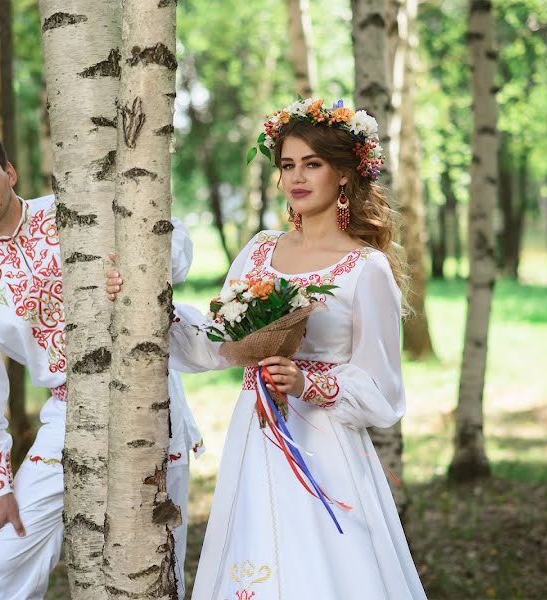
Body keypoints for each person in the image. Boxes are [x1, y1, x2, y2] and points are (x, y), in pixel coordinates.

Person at [108, 98, 426, 599]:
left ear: (344, 174)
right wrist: (145, 303)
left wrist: (307, 382)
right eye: (287, 165)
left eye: (313, 164)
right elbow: (217, 343)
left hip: (325, 444)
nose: (297, 177)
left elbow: (382, 390)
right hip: (256, 436)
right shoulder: (260, 250)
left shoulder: (367, 269)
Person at [0, 127, 203, 599]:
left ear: (9, 172)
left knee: (159, 556)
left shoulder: (73, 211)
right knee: (2, 563)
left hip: (146, 391)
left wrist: (143, 269)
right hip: (68, 410)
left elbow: (170, 236)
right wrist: (1, 487)